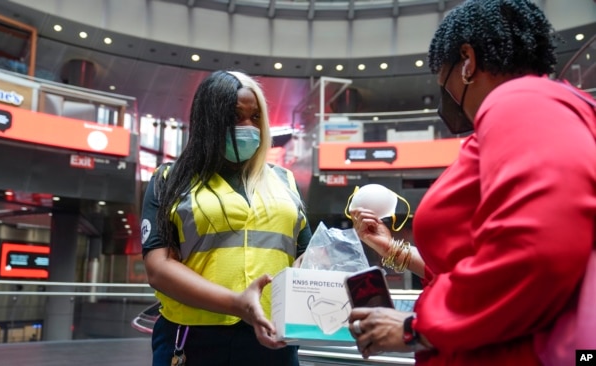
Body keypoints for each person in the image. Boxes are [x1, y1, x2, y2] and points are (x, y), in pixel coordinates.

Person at [347, 0, 596, 365]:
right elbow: (477, 257)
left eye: (441, 78)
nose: (444, 98)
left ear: (467, 61)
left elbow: (538, 248)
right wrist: (394, 250)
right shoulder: (539, 109)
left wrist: (417, 328)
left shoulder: (520, 101)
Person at [140, 70, 312, 366]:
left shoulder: (284, 180)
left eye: (256, 117)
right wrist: (237, 303)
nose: (248, 127)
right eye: (235, 117)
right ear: (209, 120)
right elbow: (158, 267)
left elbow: (305, 253)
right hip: (193, 341)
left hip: (271, 341)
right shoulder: (169, 179)